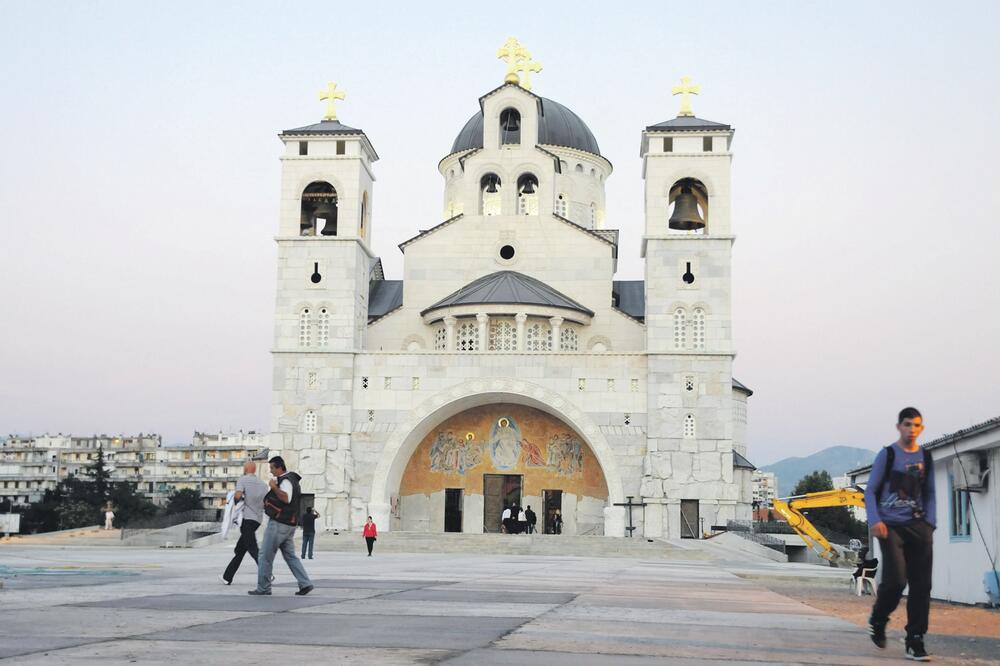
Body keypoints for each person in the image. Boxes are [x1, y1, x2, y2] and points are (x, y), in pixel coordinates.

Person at [864, 407, 935, 661]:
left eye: (916, 425)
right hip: (890, 527)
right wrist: (875, 520)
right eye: (907, 424)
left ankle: (915, 638)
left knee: (922, 585)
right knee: (896, 581)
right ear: (899, 427)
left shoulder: (925, 457)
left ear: (921, 429)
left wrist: (930, 523)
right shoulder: (889, 455)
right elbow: (870, 491)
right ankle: (878, 619)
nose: (911, 430)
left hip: (919, 527)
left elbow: (930, 493)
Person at [248, 456, 313, 596]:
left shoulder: (286, 480)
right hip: (288, 525)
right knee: (290, 556)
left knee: (264, 555)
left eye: (272, 468)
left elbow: (286, 498)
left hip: (279, 524)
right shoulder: (291, 480)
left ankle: (264, 588)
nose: (271, 471)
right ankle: (305, 583)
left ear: (279, 467)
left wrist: (274, 487)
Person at [221, 461, 269, 585]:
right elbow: (265, 503)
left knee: (253, 549)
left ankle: (268, 574)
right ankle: (227, 577)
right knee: (240, 550)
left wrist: (233, 501)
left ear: (246, 469)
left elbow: (238, 496)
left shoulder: (243, 480)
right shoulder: (263, 485)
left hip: (246, 519)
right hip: (257, 520)